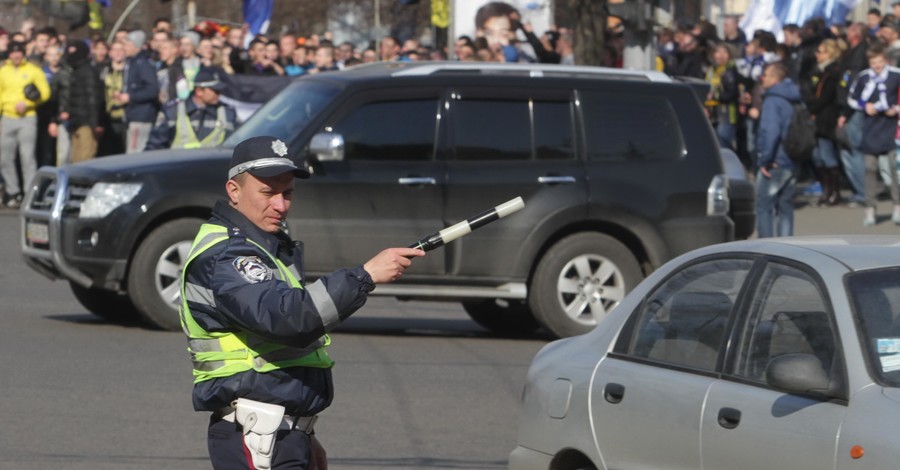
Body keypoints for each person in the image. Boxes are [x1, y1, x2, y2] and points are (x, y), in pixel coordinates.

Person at [179, 135, 424, 469]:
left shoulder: (262, 246)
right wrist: (364, 276)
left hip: (277, 433)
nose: (281, 205)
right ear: (234, 191)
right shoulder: (229, 255)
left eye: (288, 192)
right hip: (257, 437)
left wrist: (304, 434)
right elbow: (289, 318)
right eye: (268, 192)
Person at [847, 45, 900, 226]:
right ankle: (870, 209)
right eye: (873, 62)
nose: (877, 65)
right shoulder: (864, 77)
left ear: (884, 60)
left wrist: (896, 110)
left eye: (879, 62)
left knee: (894, 168)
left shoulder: (895, 74)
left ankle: (897, 206)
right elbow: (852, 98)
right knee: (870, 168)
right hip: (870, 126)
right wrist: (864, 106)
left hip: (891, 125)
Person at [0, 41, 50, 208]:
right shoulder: (3, 71)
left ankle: (29, 192)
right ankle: (13, 192)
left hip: (27, 117)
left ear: (23, 54)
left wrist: (29, 103)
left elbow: (45, 93)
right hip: (7, 117)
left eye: (19, 53)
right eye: (13, 53)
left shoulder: (33, 70)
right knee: (5, 157)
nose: (16, 56)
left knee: (27, 156)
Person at [755, 63, 801, 238]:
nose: (762, 79)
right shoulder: (793, 96)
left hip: (776, 160)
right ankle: (786, 247)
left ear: (775, 79)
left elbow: (771, 133)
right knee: (786, 207)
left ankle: (766, 248)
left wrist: (764, 160)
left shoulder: (773, 100)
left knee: (763, 206)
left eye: (765, 75)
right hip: (792, 157)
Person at [146, 67, 236, 150]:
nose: (218, 94)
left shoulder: (227, 113)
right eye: (215, 91)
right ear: (199, 91)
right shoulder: (173, 111)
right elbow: (155, 145)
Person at [803, 38, 844, 206]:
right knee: (818, 157)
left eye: (820, 51)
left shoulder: (832, 73)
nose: (816, 55)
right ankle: (827, 190)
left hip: (826, 119)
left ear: (829, 53)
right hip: (819, 119)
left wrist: (811, 108)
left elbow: (825, 97)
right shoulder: (819, 72)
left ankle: (835, 191)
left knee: (827, 156)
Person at [59, 40, 105, 163]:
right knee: (75, 160)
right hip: (76, 123)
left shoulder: (88, 72)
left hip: (87, 125)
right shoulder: (76, 71)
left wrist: (95, 124)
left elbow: (93, 99)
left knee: (85, 160)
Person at [117, 30, 160, 153]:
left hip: (141, 117)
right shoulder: (132, 62)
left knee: (135, 152)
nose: (124, 48)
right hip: (132, 115)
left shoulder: (143, 63)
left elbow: (152, 89)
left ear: (135, 45)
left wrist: (131, 97)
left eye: (127, 44)